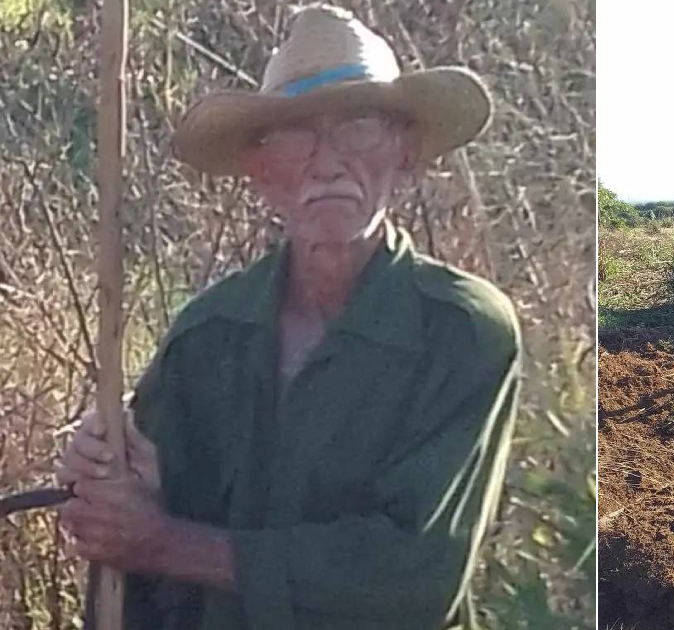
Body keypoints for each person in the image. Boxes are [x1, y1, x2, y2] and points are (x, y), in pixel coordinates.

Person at [53, 5, 520, 629]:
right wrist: (116, 481)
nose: (326, 163)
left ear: (406, 155)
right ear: (261, 171)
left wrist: (165, 540)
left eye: (359, 125)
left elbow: (411, 575)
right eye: (297, 134)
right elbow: (132, 555)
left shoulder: (463, 332)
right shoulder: (204, 338)